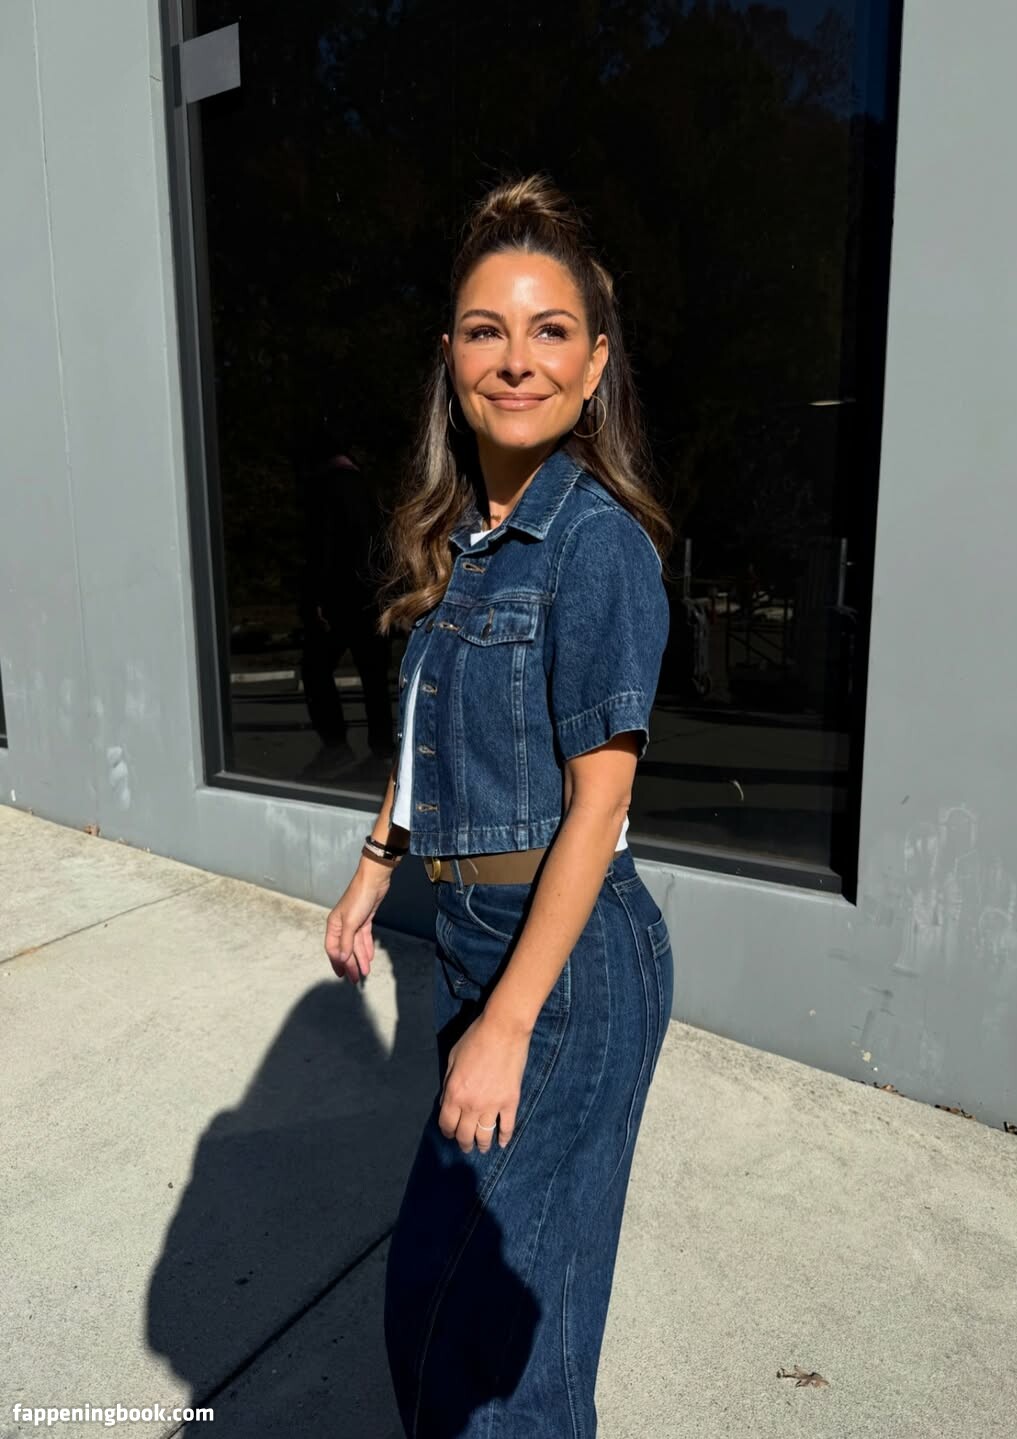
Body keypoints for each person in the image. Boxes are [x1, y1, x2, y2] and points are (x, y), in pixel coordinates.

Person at [324, 175, 674, 1438]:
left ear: (594, 365)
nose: (516, 358)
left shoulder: (597, 545)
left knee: (504, 1347)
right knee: (443, 1300)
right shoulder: (465, 537)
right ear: (452, 357)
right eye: (487, 329)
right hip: (477, 941)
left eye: (549, 330)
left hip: (567, 968)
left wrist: (510, 1022)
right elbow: (430, 733)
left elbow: (599, 803)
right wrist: (377, 860)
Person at [297, 438, 395, 780]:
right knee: (374, 677)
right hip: (372, 596)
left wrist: (316, 598)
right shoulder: (367, 488)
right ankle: (382, 749)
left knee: (315, 669)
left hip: (340, 598)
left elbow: (324, 547)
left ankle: (335, 744)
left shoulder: (327, 490)